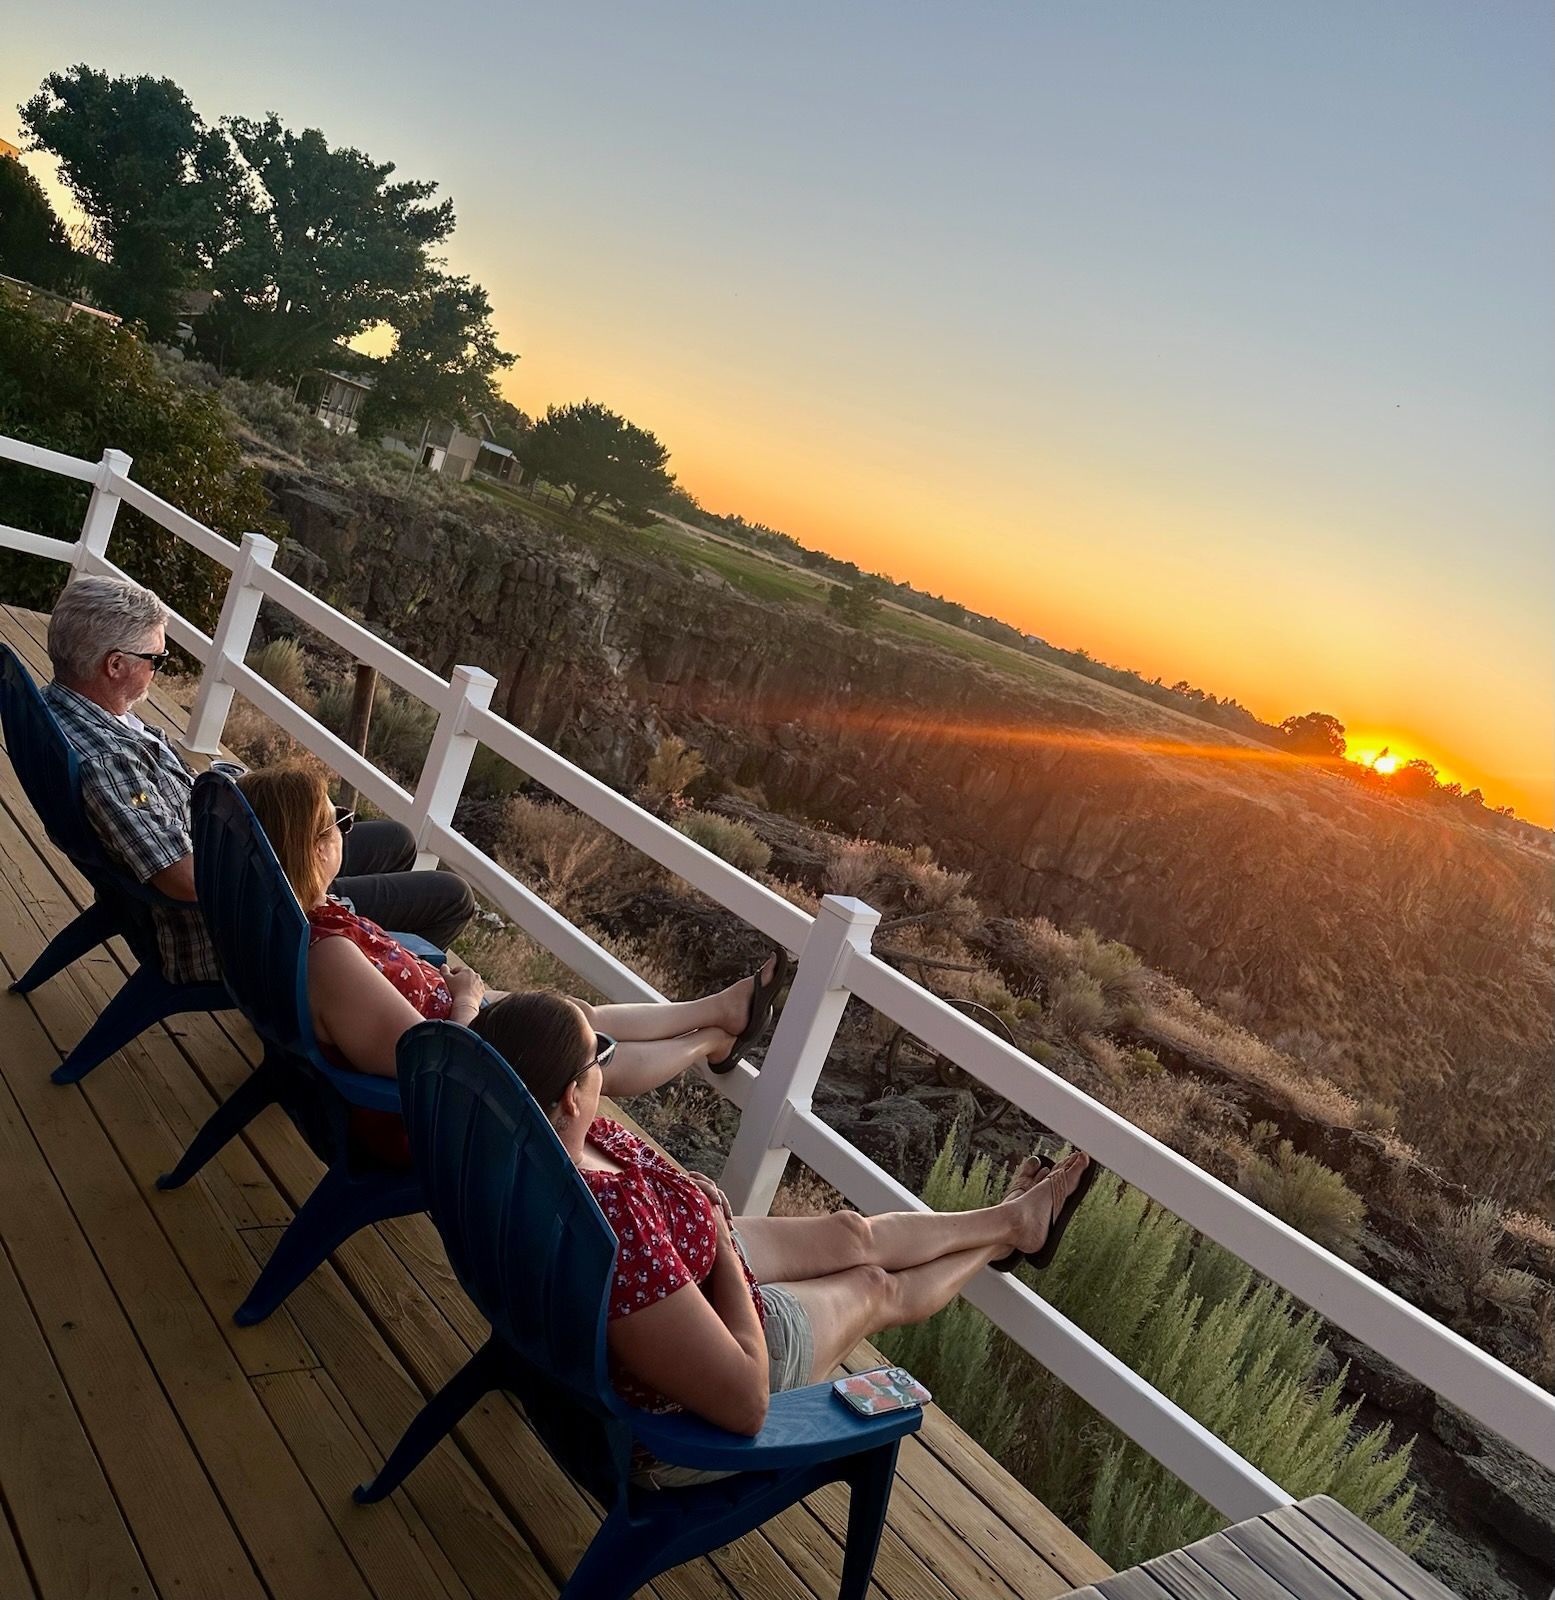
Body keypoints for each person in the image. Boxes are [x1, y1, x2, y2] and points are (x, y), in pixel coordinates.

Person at [470, 989, 1095, 1486]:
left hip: (681, 1266)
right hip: (687, 1379)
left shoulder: (513, 1152)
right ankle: (1011, 1231)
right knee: (874, 1288)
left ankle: (1006, 1220)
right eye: (598, 1057)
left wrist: (684, 1202)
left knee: (853, 1234)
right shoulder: (611, 1225)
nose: (608, 1066)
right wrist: (713, 1239)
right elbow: (745, 1401)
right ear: (572, 1095)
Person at [237, 763, 785, 1161]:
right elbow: (435, 1067)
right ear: (310, 848)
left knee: (573, 1011)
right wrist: (468, 999)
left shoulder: (300, 916)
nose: (348, 832)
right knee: (587, 1056)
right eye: (341, 824)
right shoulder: (327, 955)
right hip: (446, 1100)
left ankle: (717, 1010)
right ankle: (709, 1042)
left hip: (446, 1025)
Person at [42, 574, 476, 986]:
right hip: (247, 920)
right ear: (115, 665)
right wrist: (284, 858)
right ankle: (354, 1004)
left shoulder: (67, 708)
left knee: (396, 840)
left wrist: (253, 813)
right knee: (451, 896)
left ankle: (361, 970)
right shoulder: (108, 761)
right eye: (155, 660)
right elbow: (185, 879)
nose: (159, 668)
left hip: (226, 858)